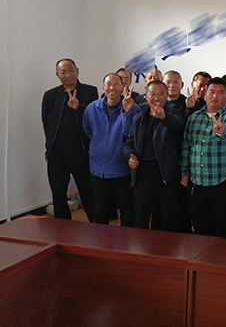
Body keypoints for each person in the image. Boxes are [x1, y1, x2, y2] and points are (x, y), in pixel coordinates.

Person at [181, 78, 226, 238]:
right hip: (196, 182)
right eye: (212, 92)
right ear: (205, 94)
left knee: (222, 228)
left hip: (221, 182)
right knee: (200, 228)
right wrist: (185, 173)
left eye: (220, 92)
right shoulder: (194, 117)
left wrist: (221, 131)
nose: (215, 96)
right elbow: (186, 146)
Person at [123, 80, 185, 232]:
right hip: (142, 173)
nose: (157, 98)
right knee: (141, 216)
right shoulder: (138, 118)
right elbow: (128, 143)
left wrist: (164, 117)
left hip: (165, 174)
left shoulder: (174, 114)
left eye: (161, 94)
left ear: (166, 95)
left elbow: (178, 126)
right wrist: (130, 156)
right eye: (153, 94)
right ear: (146, 96)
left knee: (165, 218)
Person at [42, 58, 98, 221]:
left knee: (88, 192)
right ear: (57, 75)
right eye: (63, 72)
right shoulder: (50, 96)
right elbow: (46, 123)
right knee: (58, 193)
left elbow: (95, 118)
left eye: (71, 70)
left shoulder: (90, 91)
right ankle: (63, 229)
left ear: (77, 71)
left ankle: (97, 227)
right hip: (57, 153)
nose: (68, 75)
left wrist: (78, 107)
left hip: (82, 152)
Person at [83, 73, 140, 226]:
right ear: (103, 88)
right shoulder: (92, 108)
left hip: (122, 167)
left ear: (123, 87)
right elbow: (88, 130)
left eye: (116, 84)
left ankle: (128, 238)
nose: (112, 88)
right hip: (97, 168)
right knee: (100, 208)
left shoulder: (133, 108)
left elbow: (131, 134)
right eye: (108, 84)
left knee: (126, 207)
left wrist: (127, 113)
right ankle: (101, 239)